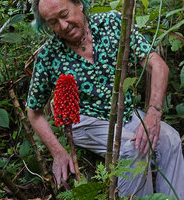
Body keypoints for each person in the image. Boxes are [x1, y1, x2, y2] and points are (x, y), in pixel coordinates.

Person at [27, 0, 184, 198]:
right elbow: (34, 112)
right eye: (53, 22)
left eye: (65, 14)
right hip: (84, 121)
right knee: (132, 150)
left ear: (80, 4)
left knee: (170, 140)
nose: (63, 26)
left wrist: (154, 112)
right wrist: (58, 152)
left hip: (125, 113)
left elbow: (158, 65)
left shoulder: (113, 23)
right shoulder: (48, 56)